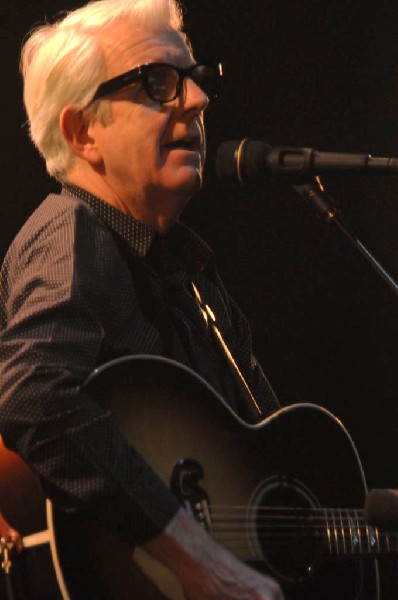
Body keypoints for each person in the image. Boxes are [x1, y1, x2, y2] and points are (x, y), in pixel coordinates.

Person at [0, 0, 283, 598]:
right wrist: (197, 557)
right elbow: (34, 394)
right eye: (158, 83)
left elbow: (273, 469)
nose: (200, 101)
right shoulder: (72, 233)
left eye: (196, 80)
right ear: (83, 133)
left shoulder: (190, 272)